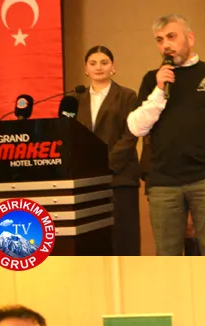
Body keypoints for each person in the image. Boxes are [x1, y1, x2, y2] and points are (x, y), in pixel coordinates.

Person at [127, 14, 205, 256]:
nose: (166, 45)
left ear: (190, 38)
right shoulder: (152, 79)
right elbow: (136, 127)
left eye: (171, 37)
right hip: (162, 183)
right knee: (167, 254)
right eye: (160, 40)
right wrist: (159, 91)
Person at [77, 45, 141, 255]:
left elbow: (131, 134)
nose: (99, 67)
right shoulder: (76, 99)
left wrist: (106, 163)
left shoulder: (127, 96)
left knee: (123, 238)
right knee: (94, 239)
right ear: (86, 68)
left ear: (113, 67)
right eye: (93, 63)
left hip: (120, 176)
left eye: (104, 63)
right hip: (88, 179)